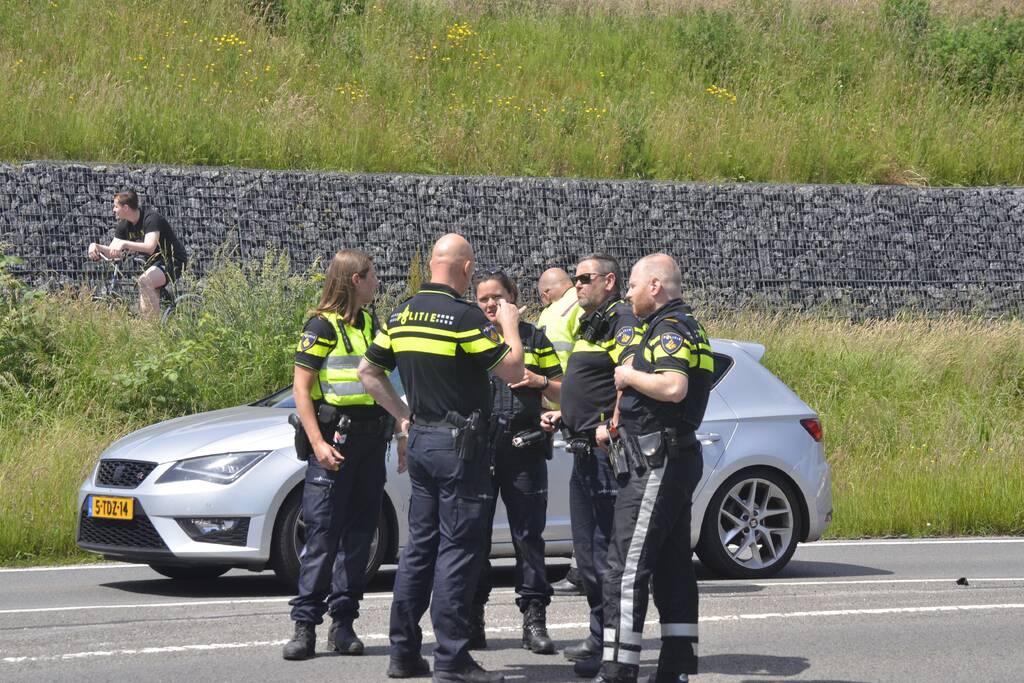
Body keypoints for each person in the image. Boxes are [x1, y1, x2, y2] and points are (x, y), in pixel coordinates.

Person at [358, 234, 526, 683]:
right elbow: (512, 370)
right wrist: (509, 323)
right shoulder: (465, 317)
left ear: (433, 263)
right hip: (460, 448)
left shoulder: (402, 313)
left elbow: (367, 372)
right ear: (467, 268)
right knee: (459, 550)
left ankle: (404, 652)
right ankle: (452, 658)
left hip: (424, 441)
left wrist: (404, 415)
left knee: (419, 550)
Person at [597, 254, 713, 683]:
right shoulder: (684, 325)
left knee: (624, 568)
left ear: (655, 287)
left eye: (631, 285)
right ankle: (676, 667)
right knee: (672, 566)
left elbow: (673, 386)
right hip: (670, 455)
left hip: (656, 461)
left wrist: (627, 375)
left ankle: (619, 667)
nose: (626, 293)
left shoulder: (669, 328)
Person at [281, 249, 395, 661]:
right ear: (354, 280)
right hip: (335, 442)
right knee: (323, 536)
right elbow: (300, 389)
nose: (377, 282)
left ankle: (343, 625)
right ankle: (305, 628)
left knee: (360, 538)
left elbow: (382, 382)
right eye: (372, 276)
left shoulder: (371, 322)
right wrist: (317, 443)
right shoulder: (321, 325)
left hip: (369, 445)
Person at [540, 253, 639, 679]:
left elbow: (629, 373)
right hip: (581, 449)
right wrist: (565, 414)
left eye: (584, 279)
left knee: (605, 558)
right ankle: (599, 639)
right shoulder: (590, 322)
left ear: (609, 281)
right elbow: (591, 384)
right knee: (588, 557)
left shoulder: (622, 320)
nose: (577, 285)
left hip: (603, 455)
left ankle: (611, 649)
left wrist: (612, 425)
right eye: (575, 279)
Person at [468, 271, 562, 655]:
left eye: (497, 298)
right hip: (479, 449)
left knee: (528, 538)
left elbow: (563, 390)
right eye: (483, 299)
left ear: (513, 297)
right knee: (474, 540)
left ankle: (534, 619)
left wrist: (539, 383)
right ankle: (474, 619)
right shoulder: (471, 338)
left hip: (524, 448)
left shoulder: (535, 338)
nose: (490, 305)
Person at [536, 267, 586, 597]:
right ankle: (587, 567)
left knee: (585, 498)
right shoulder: (584, 308)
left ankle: (585, 570)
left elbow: (545, 368)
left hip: (565, 414)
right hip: (586, 411)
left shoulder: (552, 315)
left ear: (546, 294)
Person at [86, 190, 187, 319]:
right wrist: (96, 246)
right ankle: (156, 322)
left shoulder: (151, 219)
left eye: (116, 206)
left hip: (173, 259)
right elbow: (113, 251)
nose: (113, 210)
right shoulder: (123, 226)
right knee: (147, 285)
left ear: (126, 207)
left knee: (144, 281)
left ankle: (150, 329)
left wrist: (125, 244)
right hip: (153, 263)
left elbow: (150, 247)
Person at [536, 267, 582, 373]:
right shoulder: (588, 296)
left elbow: (558, 358)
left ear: (545, 295)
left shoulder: (550, 313)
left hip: (570, 380)